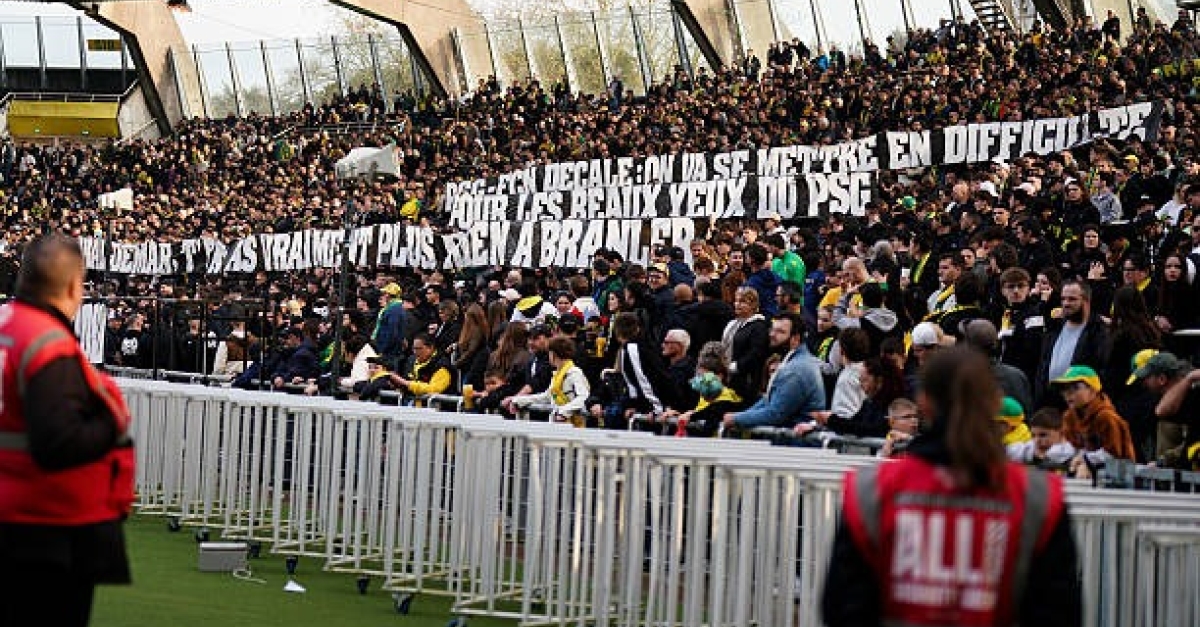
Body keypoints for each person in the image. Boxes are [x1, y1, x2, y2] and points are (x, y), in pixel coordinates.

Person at [822, 347, 1081, 627]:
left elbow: (843, 607)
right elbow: (1057, 611)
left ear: (924, 402)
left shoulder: (871, 491)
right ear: (994, 402)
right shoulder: (1039, 499)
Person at [0, 234, 134, 627]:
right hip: (45, 528)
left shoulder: (8, 326)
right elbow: (56, 443)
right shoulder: (48, 344)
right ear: (74, 285)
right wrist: (112, 423)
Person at [723, 312, 825, 430]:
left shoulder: (795, 370)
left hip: (795, 444)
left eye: (780, 332)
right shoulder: (795, 363)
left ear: (795, 339)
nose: (772, 334)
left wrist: (735, 419)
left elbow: (775, 414)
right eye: (772, 329)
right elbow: (768, 401)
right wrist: (739, 416)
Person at [1052, 365, 1138, 471]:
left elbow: (1114, 453)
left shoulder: (1106, 417)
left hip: (1118, 475)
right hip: (1084, 471)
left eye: (1075, 388)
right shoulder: (1070, 417)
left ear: (1093, 390)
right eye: (1064, 389)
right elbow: (1072, 446)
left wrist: (1085, 458)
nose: (1067, 393)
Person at [508, 337, 590, 426]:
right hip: (557, 424)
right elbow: (548, 396)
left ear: (553, 354)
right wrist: (519, 400)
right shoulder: (557, 374)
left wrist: (564, 411)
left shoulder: (574, 373)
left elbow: (583, 397)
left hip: (574, 427)